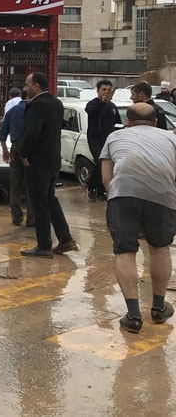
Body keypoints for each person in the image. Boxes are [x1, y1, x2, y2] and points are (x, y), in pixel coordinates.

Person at [100, 103, 176, 333]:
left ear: (128, 122)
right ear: (155, 122)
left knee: (125, 250)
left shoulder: (115, 137)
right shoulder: (171, 138)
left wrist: (115, 196)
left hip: (123, 193)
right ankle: (158, 307)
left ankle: (133, 316)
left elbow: (106, 178)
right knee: (160, 248)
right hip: (163, 195)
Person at [16, 72, 77, 258]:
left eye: (27, 85)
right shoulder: (56, 103)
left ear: (36, 86)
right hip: (52, 160)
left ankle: (44, 245)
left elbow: (32, 133)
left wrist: (23, 153)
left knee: (39, 203)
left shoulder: (38, 105)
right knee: (50, 199)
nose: (25, 89)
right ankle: (65, 239)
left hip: (37, 162)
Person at [0, 94, 34, 227]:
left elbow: (2, 134)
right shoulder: (34, 111)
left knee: (16, 184)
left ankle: (16, 217)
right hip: (31, 150)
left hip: (15, 148)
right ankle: (32, 218)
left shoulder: (12, 111)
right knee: (31, 184)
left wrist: (5, 151)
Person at [85, 80, 121, 202]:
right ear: (98, 91)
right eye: (103, 90)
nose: (106, 92)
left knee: (107, 165)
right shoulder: (92, 104)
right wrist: (102, 102)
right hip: (95, 140)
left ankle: (100, 191)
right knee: (101, 162)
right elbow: (92, 112)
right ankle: (91, 186)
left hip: (109, 140)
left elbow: (117, 122)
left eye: (108, 90)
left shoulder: (112, 106)